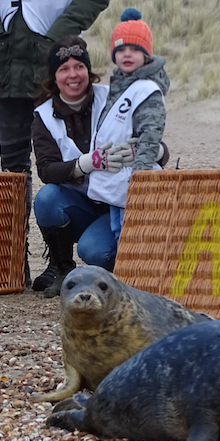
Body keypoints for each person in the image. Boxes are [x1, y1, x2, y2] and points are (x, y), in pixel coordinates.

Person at [0, 0, 110, 289]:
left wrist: (57, 35)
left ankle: (60, 263)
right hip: (5, 64)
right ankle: (12, 264)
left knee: (70, 154)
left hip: (53, 59)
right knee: (11, 171)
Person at [32, 35, 135, 298]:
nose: (73, 75)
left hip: (120, 205)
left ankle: (128, 269)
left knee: (93, 252)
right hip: (83, 206)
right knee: (46, 198)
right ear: (54, 77)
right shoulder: (43, 116)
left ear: (89, 71)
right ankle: (62, 268)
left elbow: (156, 145)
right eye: (63, 69)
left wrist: (151, 150)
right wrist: (85, 164)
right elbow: (46, 170)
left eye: (79, 66)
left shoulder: (115, 101)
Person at [87, 7, 170, 242]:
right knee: (118, 233)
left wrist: (140, 178)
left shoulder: (147, 90)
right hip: (116, 176)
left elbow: (150, 135)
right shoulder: (119, 85)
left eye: (135, 49)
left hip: (132, 176)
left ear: (147, 54)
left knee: (131, 232)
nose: (127, 54)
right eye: (121, 49)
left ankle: (132, 277)